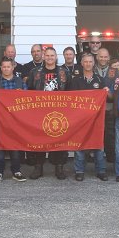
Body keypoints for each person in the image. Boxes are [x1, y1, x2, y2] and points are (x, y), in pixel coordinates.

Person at [28, 47, 69, 179]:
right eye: (47, 55)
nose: (50, 58)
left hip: (59, 111)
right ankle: (38, 167)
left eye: (52, 55)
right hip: (39, 111)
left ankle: (59, 167)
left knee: (59, 139)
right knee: (38, 139)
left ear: (56, 57)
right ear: (43, 57)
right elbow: (29, 91)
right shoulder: (35, 72)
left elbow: (71, 92)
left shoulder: (64, 72)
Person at [69, 52, 108, 181]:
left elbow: (107, 98)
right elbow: (70, 100)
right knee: (79, 145)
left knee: (98, 145)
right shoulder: (75, 81)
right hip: (80, 119)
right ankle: (79, 171)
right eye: (85, 61)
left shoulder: (100, 80)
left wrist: (106, 92)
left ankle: (101, 171)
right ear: (81, 63)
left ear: (93, 63)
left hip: (96, 119)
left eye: (90, 61)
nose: (88, 64)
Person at [0, 57, 28, 183]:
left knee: (15, 147)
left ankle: (16, 171)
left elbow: (27, 100)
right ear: (1, 68)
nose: (6, 69)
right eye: (4, 67)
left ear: (13, 67)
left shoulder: (20, 82)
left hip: (15, 120)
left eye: (8, 67)